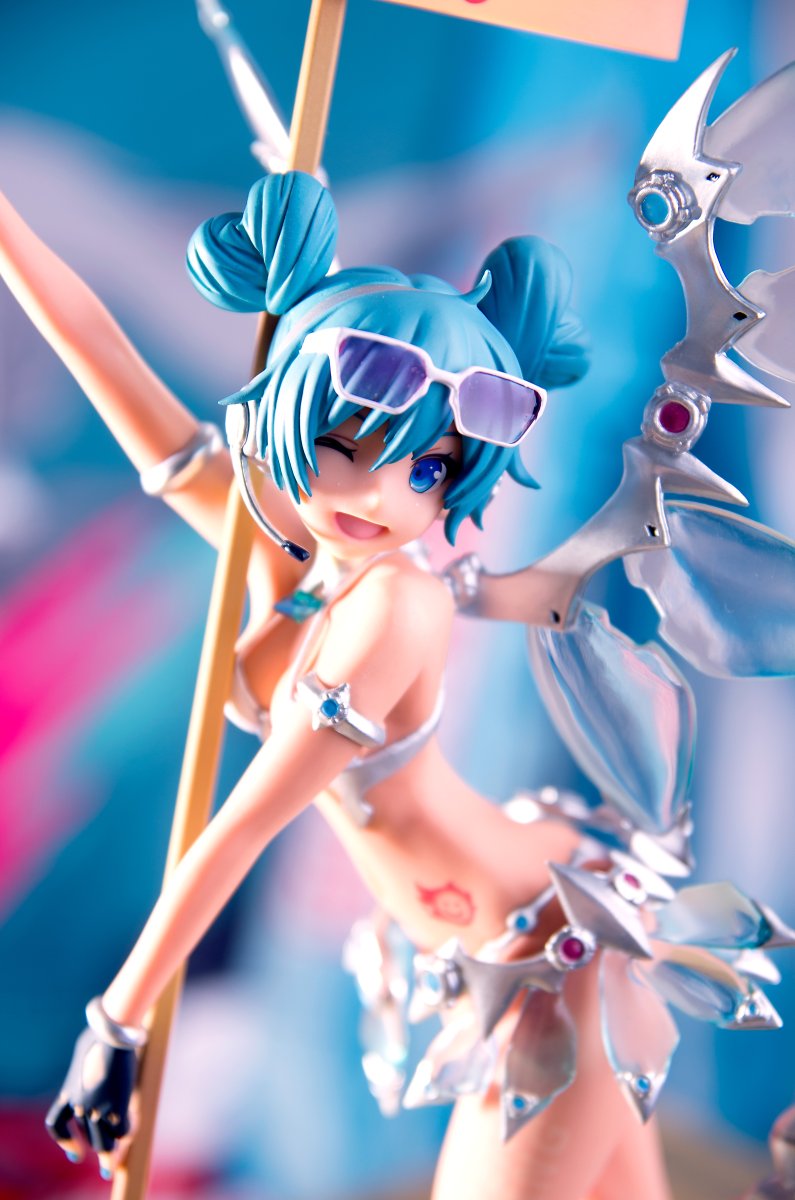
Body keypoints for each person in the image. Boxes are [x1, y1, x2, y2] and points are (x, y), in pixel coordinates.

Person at [0, 168, 679, 1200]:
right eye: (342, 446)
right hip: (492, 946)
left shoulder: (396, 606)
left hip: (554, 955)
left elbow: (245, 823)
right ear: (286, 416)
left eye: (429, 470)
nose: (380, 494)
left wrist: (120, 1020)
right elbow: (99, 347)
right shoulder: (295, 565)